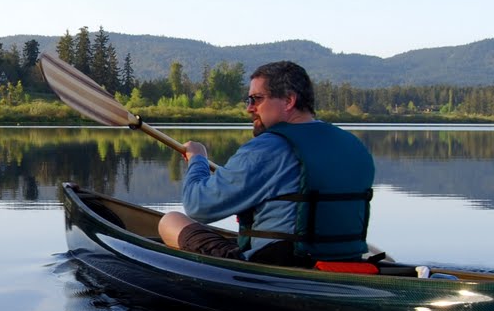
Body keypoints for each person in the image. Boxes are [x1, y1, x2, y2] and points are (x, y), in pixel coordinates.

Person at [157, 60, 374, 265]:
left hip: (277, 261)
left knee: (171, 220)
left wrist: (197, 159)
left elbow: (198, 206)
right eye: (248, 100)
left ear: (289, 100)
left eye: (256, 99)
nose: (249, 108)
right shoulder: (353, 144)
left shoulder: (267, 147)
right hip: (344, 259)